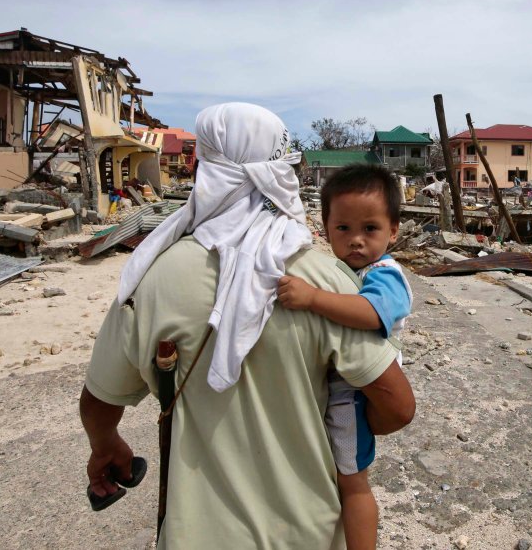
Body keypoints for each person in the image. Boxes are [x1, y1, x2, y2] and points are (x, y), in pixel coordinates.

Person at [80, 103, 415, 549]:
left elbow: (99, 402)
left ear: (204, 168)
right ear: (279, 172)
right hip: (308, 534)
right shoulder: (324, 282)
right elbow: (397, 407)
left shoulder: (149, 277)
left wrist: (107, 445)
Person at [277, 165, 411, 550]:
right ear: (324, 227)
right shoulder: (342, 269)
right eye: (343, 229)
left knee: (353, 484)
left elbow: (372, 314)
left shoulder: (385, 274)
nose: (356, 241)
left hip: (352, 397)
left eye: (370, 229)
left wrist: (313, 298)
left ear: (394, 230)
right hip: (340, 388)